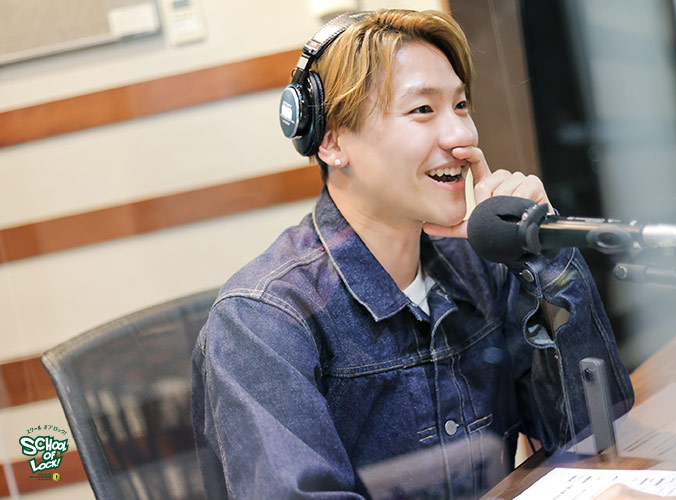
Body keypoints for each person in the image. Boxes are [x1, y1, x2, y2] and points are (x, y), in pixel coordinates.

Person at [191, 9, 646, 499]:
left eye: (461, 105)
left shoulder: (481, 267)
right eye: (423, 110)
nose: (463, 137)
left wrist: (545, 252)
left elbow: (592, 434)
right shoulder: (262, 322)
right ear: (332, 140)